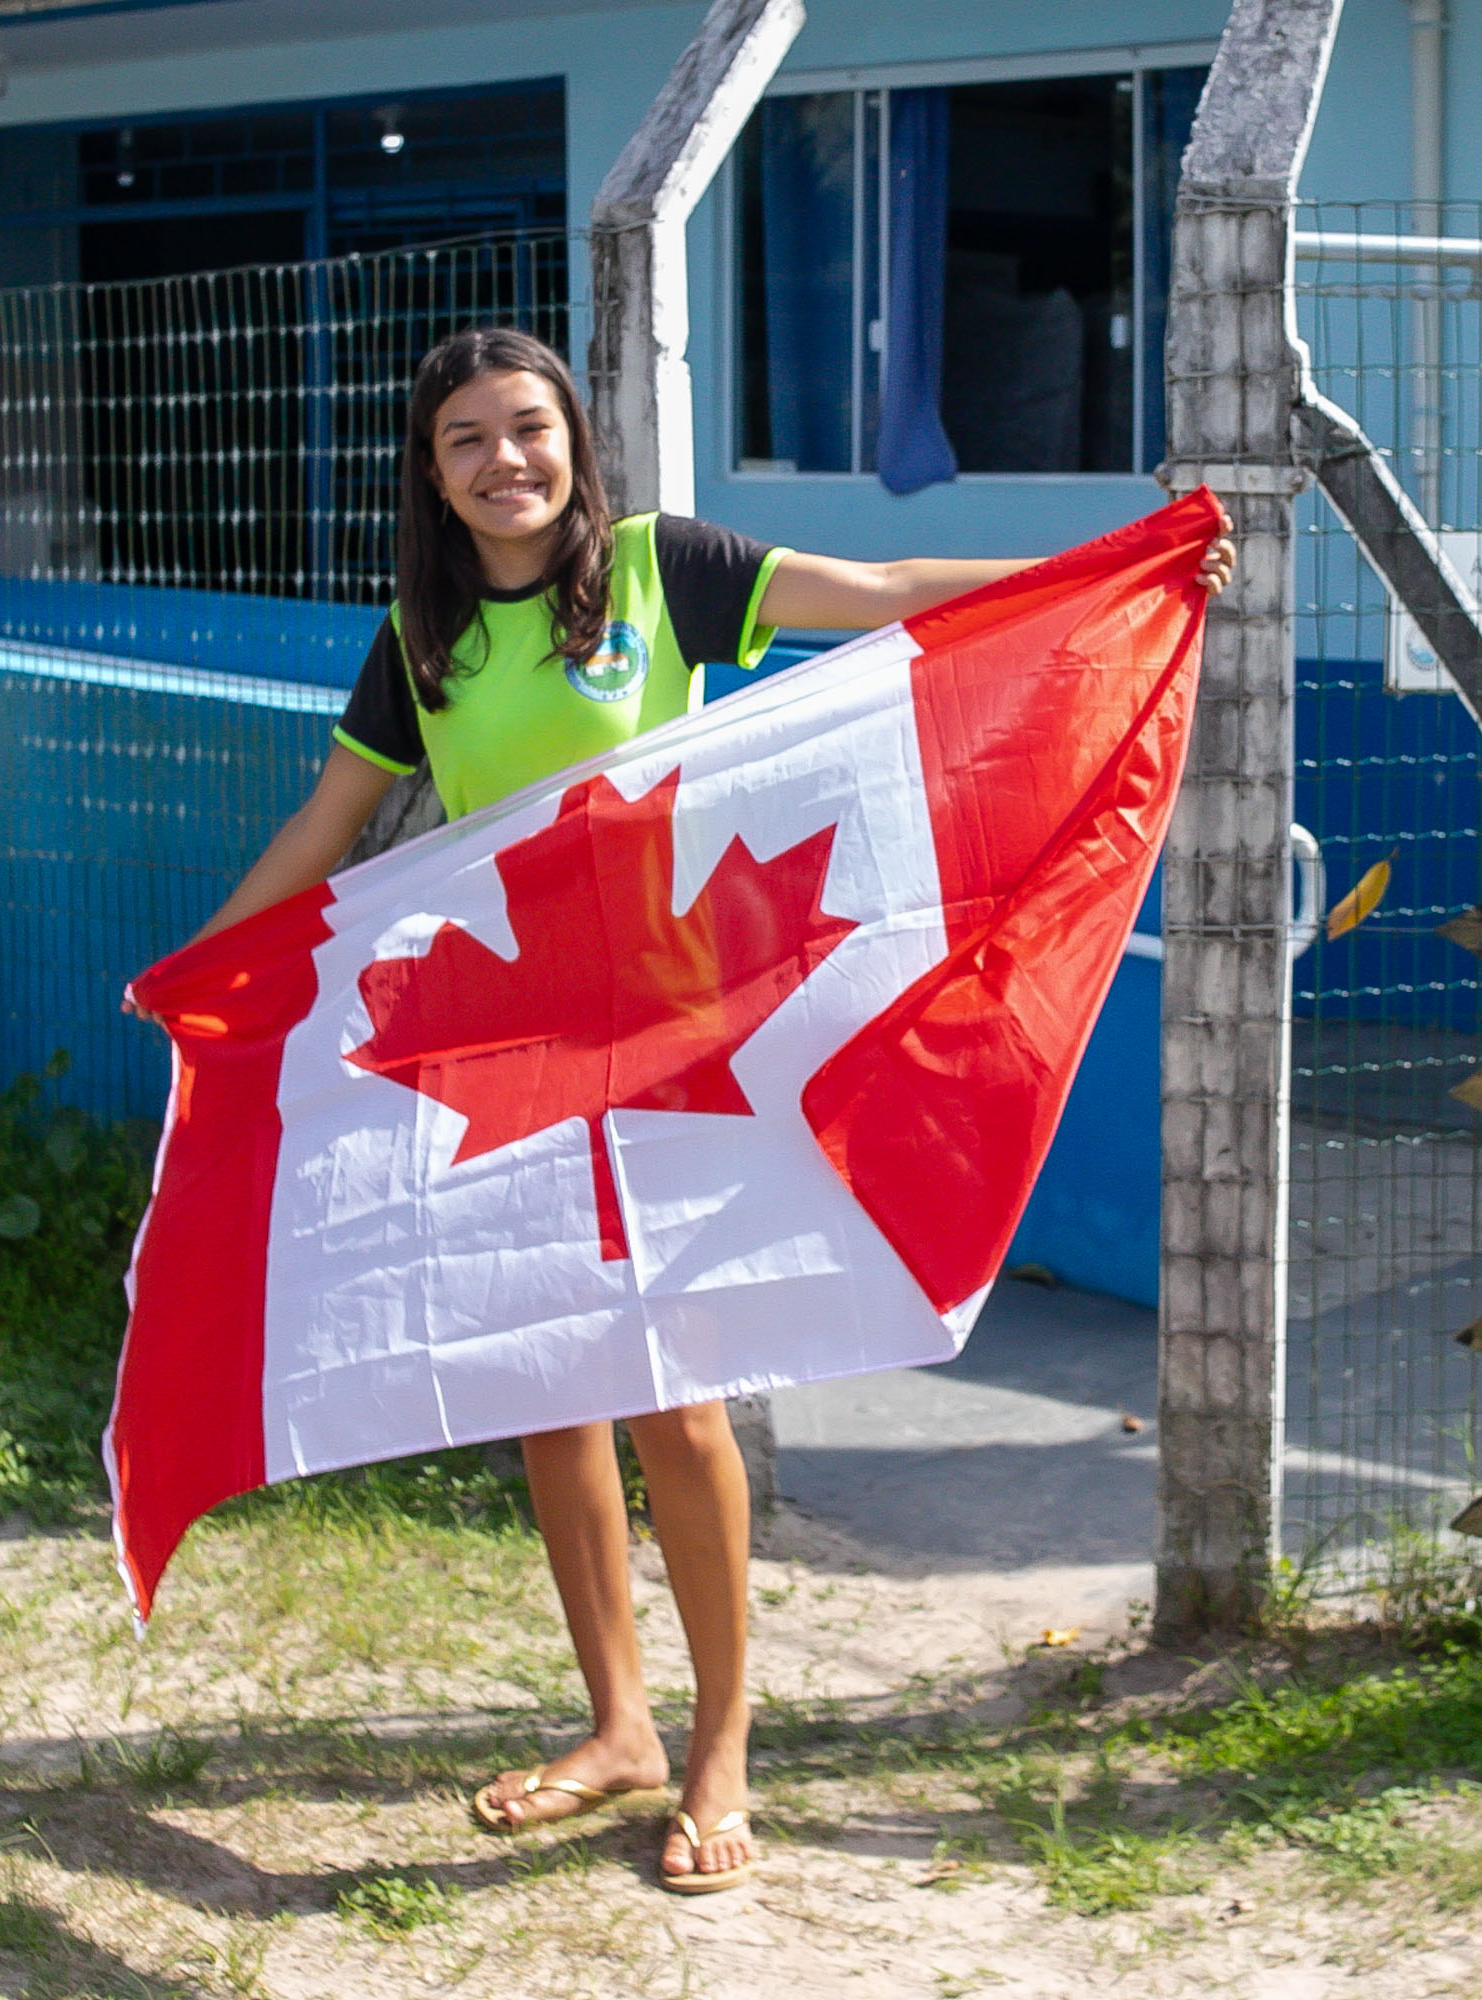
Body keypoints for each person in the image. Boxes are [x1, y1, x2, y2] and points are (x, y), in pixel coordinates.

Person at [169, 324, 1233, 1893]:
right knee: (550, 1395)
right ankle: (617, 1731)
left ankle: (724, 1743)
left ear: (572, 440)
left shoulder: (667, 572)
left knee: (676, 1399)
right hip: (514, 1056)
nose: (503, 461)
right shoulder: (422, 634)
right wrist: (194, 980)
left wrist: (1108, 564)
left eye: (526, 428)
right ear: (433, 475)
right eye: (465, 440)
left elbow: (878, 598)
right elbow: (332, 821)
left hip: (678, 1045)